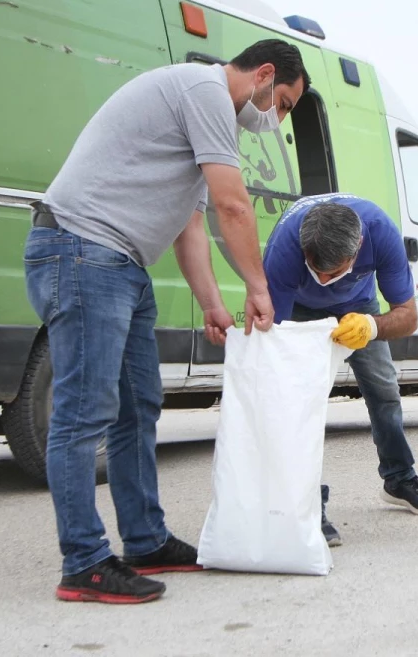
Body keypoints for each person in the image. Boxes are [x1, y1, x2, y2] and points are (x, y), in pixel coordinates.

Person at [23, 39, 310, 604]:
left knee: (137, 407)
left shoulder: (205, 112)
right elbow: (234, 206)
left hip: (121, 262)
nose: (276, 120)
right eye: (282, 103)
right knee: (83, 412)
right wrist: (258, 288)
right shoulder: (205, 89)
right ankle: (83, 562)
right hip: (82, 250)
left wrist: (210, 303)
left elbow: (191, 226)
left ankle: (145, 540)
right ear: (264, 75)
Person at [262, 193, 418, 547]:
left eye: (332, 272)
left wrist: (372, 326)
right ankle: (305, 500)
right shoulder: (285, 249)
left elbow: (408, 317)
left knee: (384, 392)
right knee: (296, 403)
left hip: (359, 308)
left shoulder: (380, 233)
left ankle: (399, 478)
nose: (322, 278)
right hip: (299, 311)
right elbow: (276, 338)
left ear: (358, 247)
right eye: (314, 270)